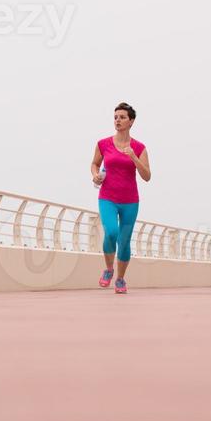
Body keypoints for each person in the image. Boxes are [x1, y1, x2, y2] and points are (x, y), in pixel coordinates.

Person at [90, 102, 151, 294]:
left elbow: (147, 176)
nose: (118, 120)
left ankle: (121, 279)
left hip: (130, 201)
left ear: (131, 121)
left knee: (124, 241)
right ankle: (109, 270)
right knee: (111, 232)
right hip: (107, 197)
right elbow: (94, 164)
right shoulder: (103, 144)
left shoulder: (139, 147)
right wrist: (95, 175)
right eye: (116, 117)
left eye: (122, 117)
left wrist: (133, 157)